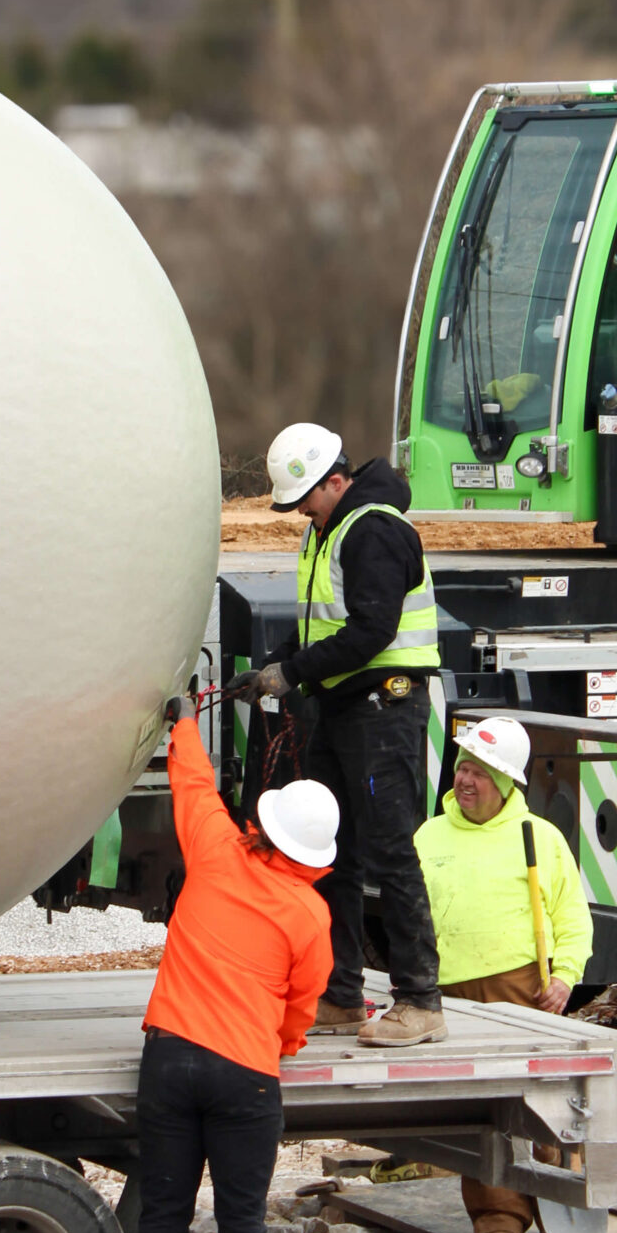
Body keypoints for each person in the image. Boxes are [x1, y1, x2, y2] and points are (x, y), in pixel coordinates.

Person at [134, 688, 336, 1233]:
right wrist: (276, 1046)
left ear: (265, 826)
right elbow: (301, 1008)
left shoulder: (217, 852)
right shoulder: (310, 913)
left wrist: (185, 721)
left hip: (169, 1054)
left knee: (164, 1210)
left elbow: (193, 782)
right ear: (314, 858)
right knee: (242, 1216)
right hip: (244, 1073)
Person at [225, 421, 445, 1047]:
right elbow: (324, 628)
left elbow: (372, 631)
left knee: (391, 851)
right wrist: (273, 667)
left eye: (305, 501)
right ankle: (342, 993)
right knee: (334, 852)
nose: (301, 514)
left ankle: (421, 1001)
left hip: (384, 707)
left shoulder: (373, 529)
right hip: (346, 706)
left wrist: (290, 674)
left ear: (337, 481)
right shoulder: (327, 532)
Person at [412, 717, 593, 1233]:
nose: (465, 781)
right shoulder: (429, 835)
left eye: (480, 773)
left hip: (521, 991)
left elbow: (573, 920)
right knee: (481, 1112)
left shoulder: (539, 838)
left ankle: (557, 1205)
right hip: (449, 993)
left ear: (507, 781)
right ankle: (498, 1218)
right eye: (462, 768)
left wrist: (565, 977)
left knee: (538, 1105)